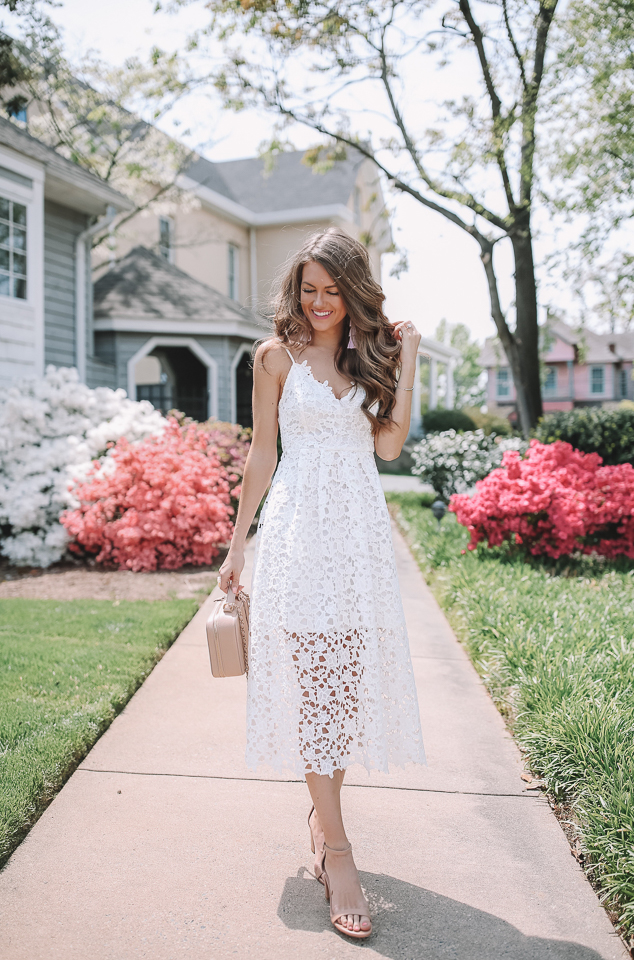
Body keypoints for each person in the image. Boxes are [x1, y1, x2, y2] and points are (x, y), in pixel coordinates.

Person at [217, 228, 426, 940]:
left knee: (341, 691)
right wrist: (237, 546)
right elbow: (263, 454)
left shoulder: (377, 356)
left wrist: (413, 358)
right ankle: (339, 852)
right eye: (308, 289)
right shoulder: (275, 356)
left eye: (332, 290)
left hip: (359, 538)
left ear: (354, 290)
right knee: (314, 691)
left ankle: (321, 817)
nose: (318, 302)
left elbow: (390, 444)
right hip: (300, 536)